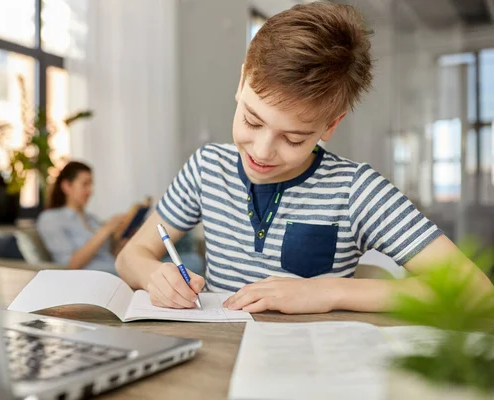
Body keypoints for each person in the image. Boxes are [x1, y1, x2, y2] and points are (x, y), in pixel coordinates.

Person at [116, 2, 494, 312]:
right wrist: (154, 276)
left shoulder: (357, 191)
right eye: (251, 120)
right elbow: (131, 254)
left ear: (330, 126)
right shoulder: (206, 168)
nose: (262, 152)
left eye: (294, 139)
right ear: (241, 81)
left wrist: (329, 292)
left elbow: (476, 293)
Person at [37, 161, 125, 273]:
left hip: (117, 272)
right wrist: (106, 230)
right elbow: (71, 264)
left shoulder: (92, 219)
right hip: (96, 279)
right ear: (67, 186)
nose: (90, 190)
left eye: (91, 184)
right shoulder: (51, 219)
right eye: (85, 184)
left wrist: (121, 242)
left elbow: (108, 255)